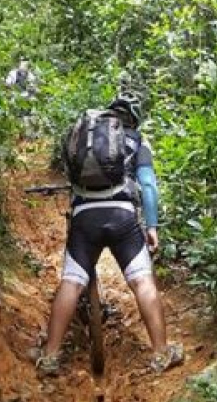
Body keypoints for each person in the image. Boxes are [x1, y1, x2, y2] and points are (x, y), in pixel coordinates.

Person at [36, 92, 184, 376]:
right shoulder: (137, 140)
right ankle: (161, 353)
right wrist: (152, 226)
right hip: (122, 217)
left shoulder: (86, 135)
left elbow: (72, 176)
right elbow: (148, 186)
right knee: (142, 281)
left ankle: (50, 356)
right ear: (135, 119)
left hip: (84, 218)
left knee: (71, 281)